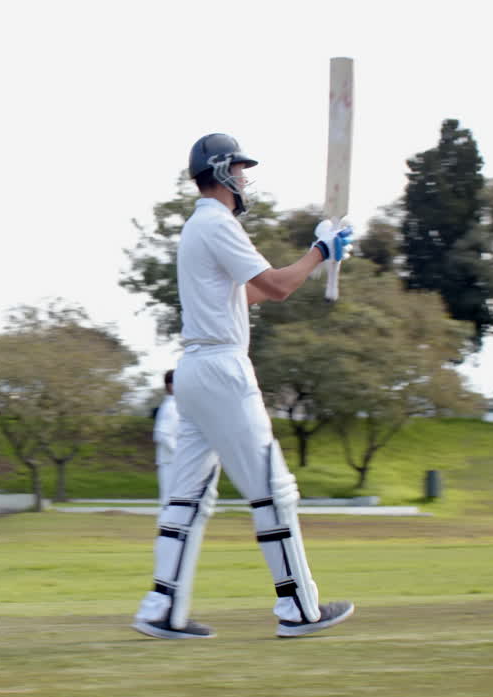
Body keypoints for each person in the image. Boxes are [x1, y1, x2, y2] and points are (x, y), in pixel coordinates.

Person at [131, 133, 355, 640]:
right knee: (273, 491)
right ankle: (299, 608)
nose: (246, 179)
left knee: (186, 498)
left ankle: (161, 607)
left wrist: (318, 258)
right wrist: (320, 250)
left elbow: (251, 294)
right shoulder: (217, 221)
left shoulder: (198, 227)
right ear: (224, 171)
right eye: (242, 169)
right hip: (222, 369)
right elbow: (276, 285)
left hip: (193, 372)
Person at [152, 369, 179, 506]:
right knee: (169, 503)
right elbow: (161, 434)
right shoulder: (170, 407)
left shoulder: (177, 406)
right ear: (171, 386)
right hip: (170, 462)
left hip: (175, 462)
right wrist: (179, 452)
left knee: (176, 503)